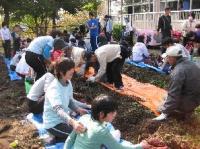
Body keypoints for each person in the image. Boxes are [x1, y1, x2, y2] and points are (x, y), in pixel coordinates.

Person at [64, 94, 152, 149]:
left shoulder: (84, 118)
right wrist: (140, 146)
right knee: (114, 135)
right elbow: (119, 148)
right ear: (101, 114)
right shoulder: (101, 130)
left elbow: (70, 139)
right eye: (112, 112)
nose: (115, 114)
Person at [43, 58, 88, 142]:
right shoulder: (54, 88)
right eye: (70, 70)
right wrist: (73, 122)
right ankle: (53, 136)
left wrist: (78, 109)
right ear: (61, 72)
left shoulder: (68, 82)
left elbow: (69, 100)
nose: (73, 71)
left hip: (64, 119)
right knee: (80, 136)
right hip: (54, 124)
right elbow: (58, 110)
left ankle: (60, 136)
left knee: (84, 129)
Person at [153, 46, 200, 121]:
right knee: (166, 97)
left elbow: (173, 95)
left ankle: (182, 113)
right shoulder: (191, 63)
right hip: (196, 99)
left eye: (168, 58)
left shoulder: (178, 72)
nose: (167, 60)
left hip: (189, 102)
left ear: (173, 58)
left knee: (161, 106)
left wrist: (164, 111)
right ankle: (186, 110)